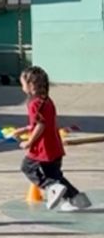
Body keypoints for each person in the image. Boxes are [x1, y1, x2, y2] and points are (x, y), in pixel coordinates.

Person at [18, 66, 91, 212]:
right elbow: (44, 121)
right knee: (54, 175)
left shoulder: (34, 104)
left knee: (27, 167)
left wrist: (29, 142)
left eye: (23, 84)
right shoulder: (46, 101)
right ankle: (77, 198)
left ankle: (51, 188)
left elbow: (40, 125)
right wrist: (26, 129)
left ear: (31, 85)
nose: (22, 87)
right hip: (54, 146)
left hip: (42, 148)